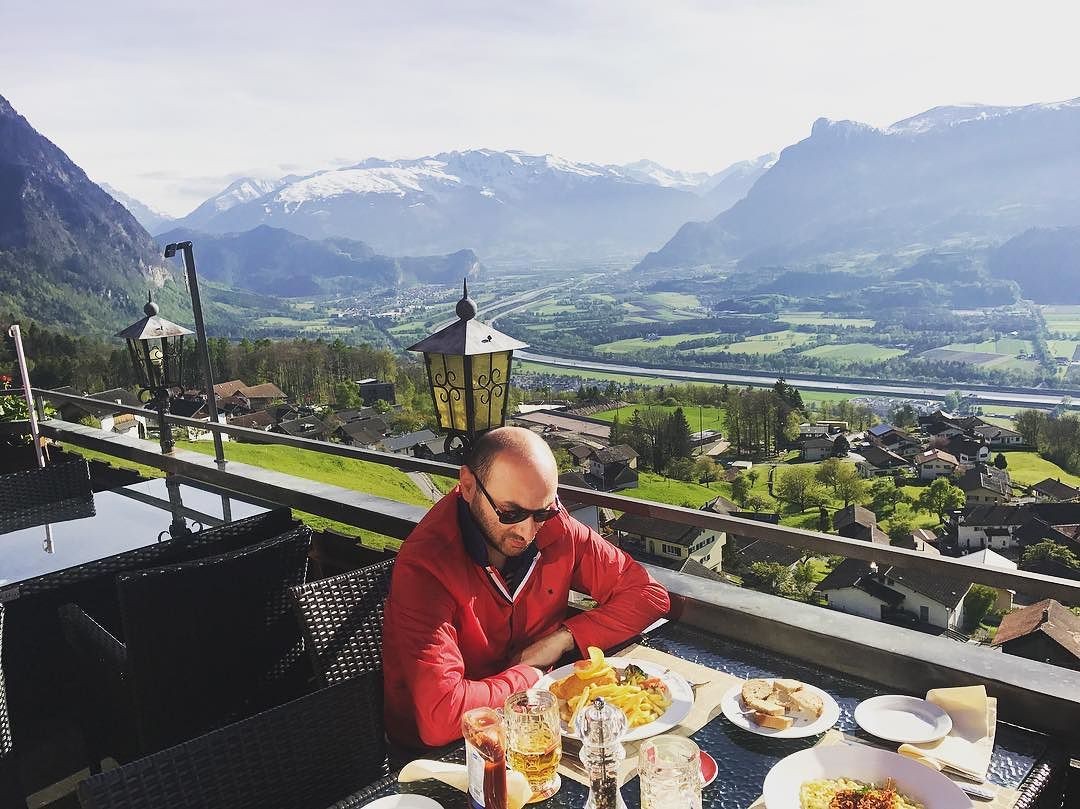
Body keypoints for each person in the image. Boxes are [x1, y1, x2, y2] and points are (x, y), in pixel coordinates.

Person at [382, 426, 671, 748]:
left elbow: (649, 594)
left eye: (542, 512)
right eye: (510, 512)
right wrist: (531, 675)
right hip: (448, 752)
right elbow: (442, 717)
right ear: (467, 486)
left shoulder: (557, 526)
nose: (527, 530)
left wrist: (564, 638)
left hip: (535, 724)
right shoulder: (425, 568)